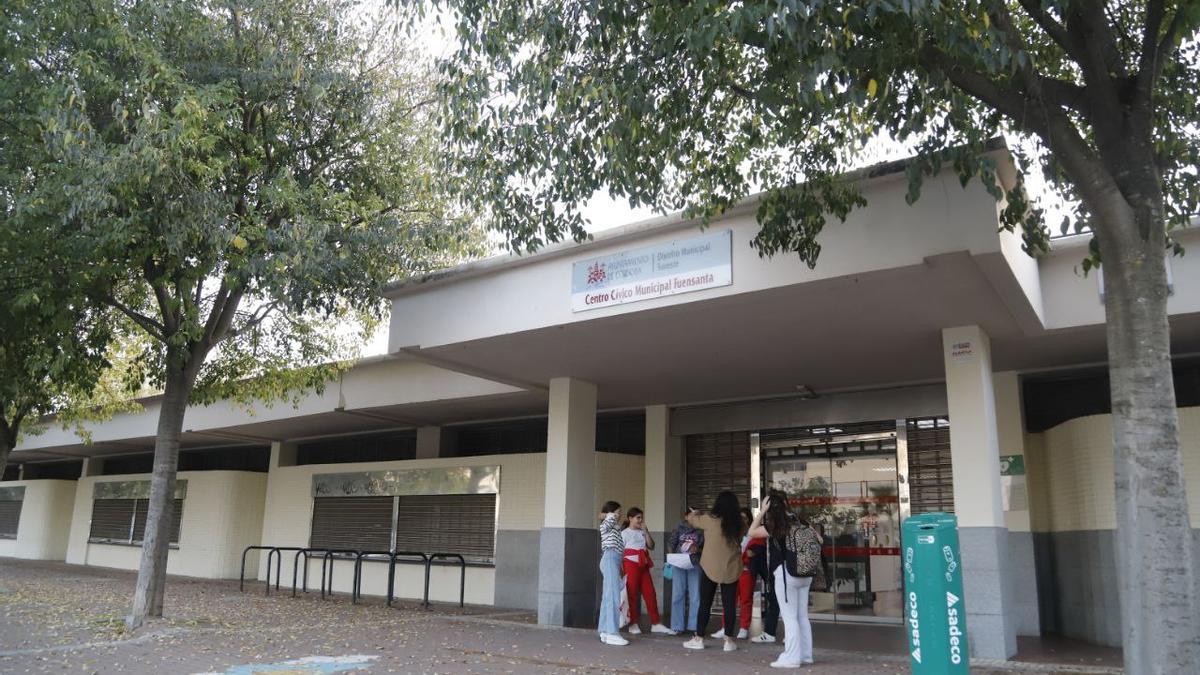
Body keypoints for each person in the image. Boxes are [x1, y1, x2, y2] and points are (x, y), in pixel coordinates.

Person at [748, 493, 820, 667]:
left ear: (770, 508)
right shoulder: (801, 520)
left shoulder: (776, 524)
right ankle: (806, 655)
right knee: (802, 616)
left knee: (789, 617)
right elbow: (820, 539)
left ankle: (792, 658)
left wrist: (762, 511)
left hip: (786, 574)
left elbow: (751, 532)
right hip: (805, 574)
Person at [682, 491, 744, 652]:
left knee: (705, 603)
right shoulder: (740, 523)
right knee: (729, 605)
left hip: (709, 567)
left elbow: (691, 520)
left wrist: (695, 513)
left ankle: (699, 638)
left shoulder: (709, 520)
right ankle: (729, 641)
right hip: (731, 568)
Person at [620, 507, 675, 635]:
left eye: (641, 518)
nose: (640, 520)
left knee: (650, 593)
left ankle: (656, 623)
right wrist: (622, 571)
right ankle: (633, 623)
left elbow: (651, 546)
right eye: (638, 518)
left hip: (643, 564)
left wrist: (646, 531)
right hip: (630, 565)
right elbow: (620, 553)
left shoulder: (642, 531)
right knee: (632, 595)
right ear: (630, 519)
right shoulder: (624, 533)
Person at [711, 507, 759, 640]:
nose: (742, 520)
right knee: (729, 600)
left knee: (745, 600)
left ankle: (744, 627)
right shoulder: (732, 533)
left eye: (745, 517)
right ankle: (725, 628)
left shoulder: (753, 533)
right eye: (740, 517)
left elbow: (756, 551)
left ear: (749, 519)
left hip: (745, 571)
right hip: (731, 570)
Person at [666, 509, 704, 634]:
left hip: (695, 564)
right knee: (677, 594)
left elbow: (705, 547)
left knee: (695, 596)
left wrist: (697, 549)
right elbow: (671, 543)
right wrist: (671, 557)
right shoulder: (678, 528)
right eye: (692, 515)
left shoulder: (701, 530)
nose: (695, 518)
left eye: (697, 515)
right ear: (686, 516)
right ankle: (677, 626)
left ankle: (694, 626)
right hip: (679, 563)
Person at [597, 500, 628, 646]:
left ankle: (604, 630)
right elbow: (604, 517)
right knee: (613, 597)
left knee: (608, 596)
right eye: (618, 512)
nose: (619, 515)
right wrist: (610, 514)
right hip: (610, 557)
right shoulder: (607, 524)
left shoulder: (613, 526)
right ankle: (612, 632)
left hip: (613, 559)